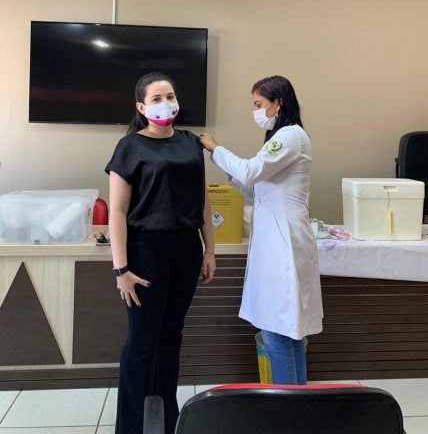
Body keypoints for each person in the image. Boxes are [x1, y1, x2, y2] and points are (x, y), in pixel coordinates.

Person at [105, 72, 216, 434]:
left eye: (170, 96)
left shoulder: (190, 143)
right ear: (141, 107)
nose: (165, 103)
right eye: (156, 99)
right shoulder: (129, 147)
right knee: (143, 341)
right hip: (145, 252)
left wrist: (210, 250)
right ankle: (131, 427)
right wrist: (121, 270)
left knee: (171, 337)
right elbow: (117, 212)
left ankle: (167, 420)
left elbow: (202, 198)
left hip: (186, 249)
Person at [200, 75, 322, 385]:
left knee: (276, 331)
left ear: (278, 103)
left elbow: (251, 170)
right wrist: (229, 170)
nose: (256, 111)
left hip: (283, 241)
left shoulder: (290, 136)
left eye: (259, 104)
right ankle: (297, 399)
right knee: (288, 331)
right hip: (277, 236)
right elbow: (258, 189)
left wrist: (216, 149)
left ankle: (287, 404)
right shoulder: (281, 138)